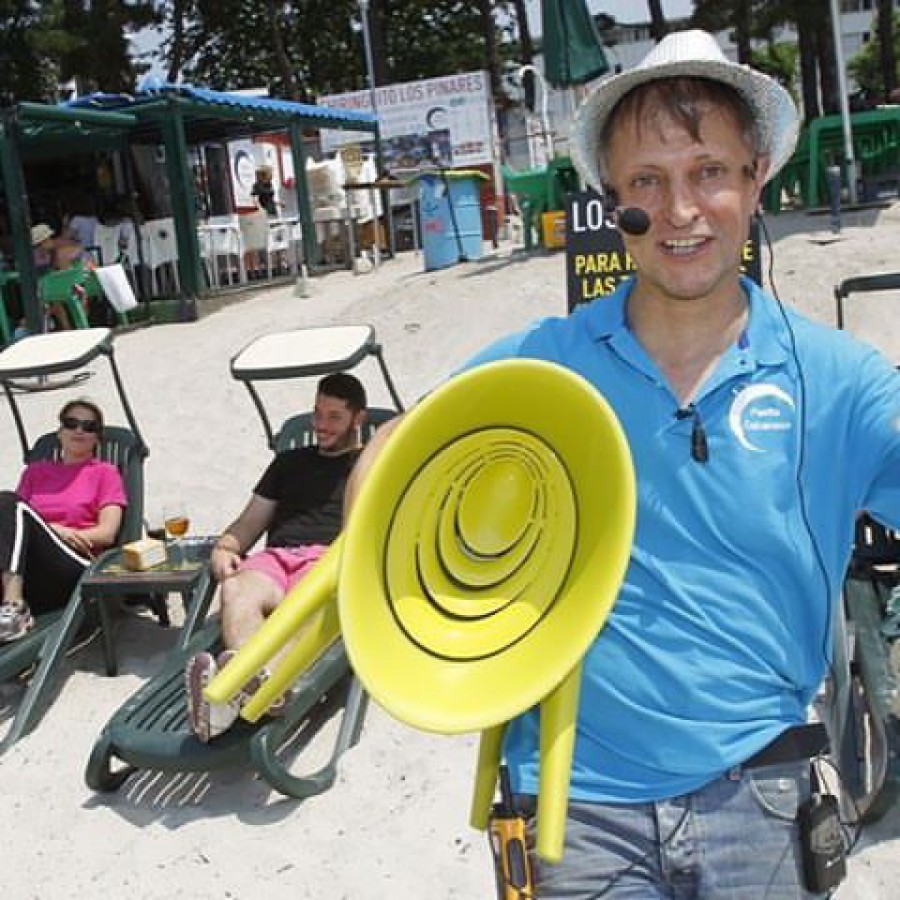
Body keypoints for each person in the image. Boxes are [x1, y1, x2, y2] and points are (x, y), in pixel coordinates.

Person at [347, 30, 900, 898]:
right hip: (572, 803)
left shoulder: (839, 379)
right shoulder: (538, 368)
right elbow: (389, 471)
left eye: (709, 172)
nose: (681, 210)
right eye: (649, 180)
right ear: (613, 201)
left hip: (765, 790)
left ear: (757, 177)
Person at [185, 372, 367, 743]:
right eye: (317, 414)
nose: (321, 425)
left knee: (301, 608)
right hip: (276, 557)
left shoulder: (368, 466)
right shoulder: (289, 462)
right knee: (236, 590)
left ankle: (228, 699)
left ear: (358, 419)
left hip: (328, 560)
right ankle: (261, 688)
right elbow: (250, 521)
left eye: (334, 417)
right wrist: (226, 546)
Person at [0, 399, 127, 642]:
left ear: (97, 438)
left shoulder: (105, 473)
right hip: (32, 569)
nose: (79, 430)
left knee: (6, 501)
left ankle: (14, 607)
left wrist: (57, 532)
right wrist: (52, 529)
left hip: (74, 564)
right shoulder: (35, 472)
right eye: (71, 423)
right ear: (60, 432)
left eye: (89, 427)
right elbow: (14, 525)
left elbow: (107, 533)